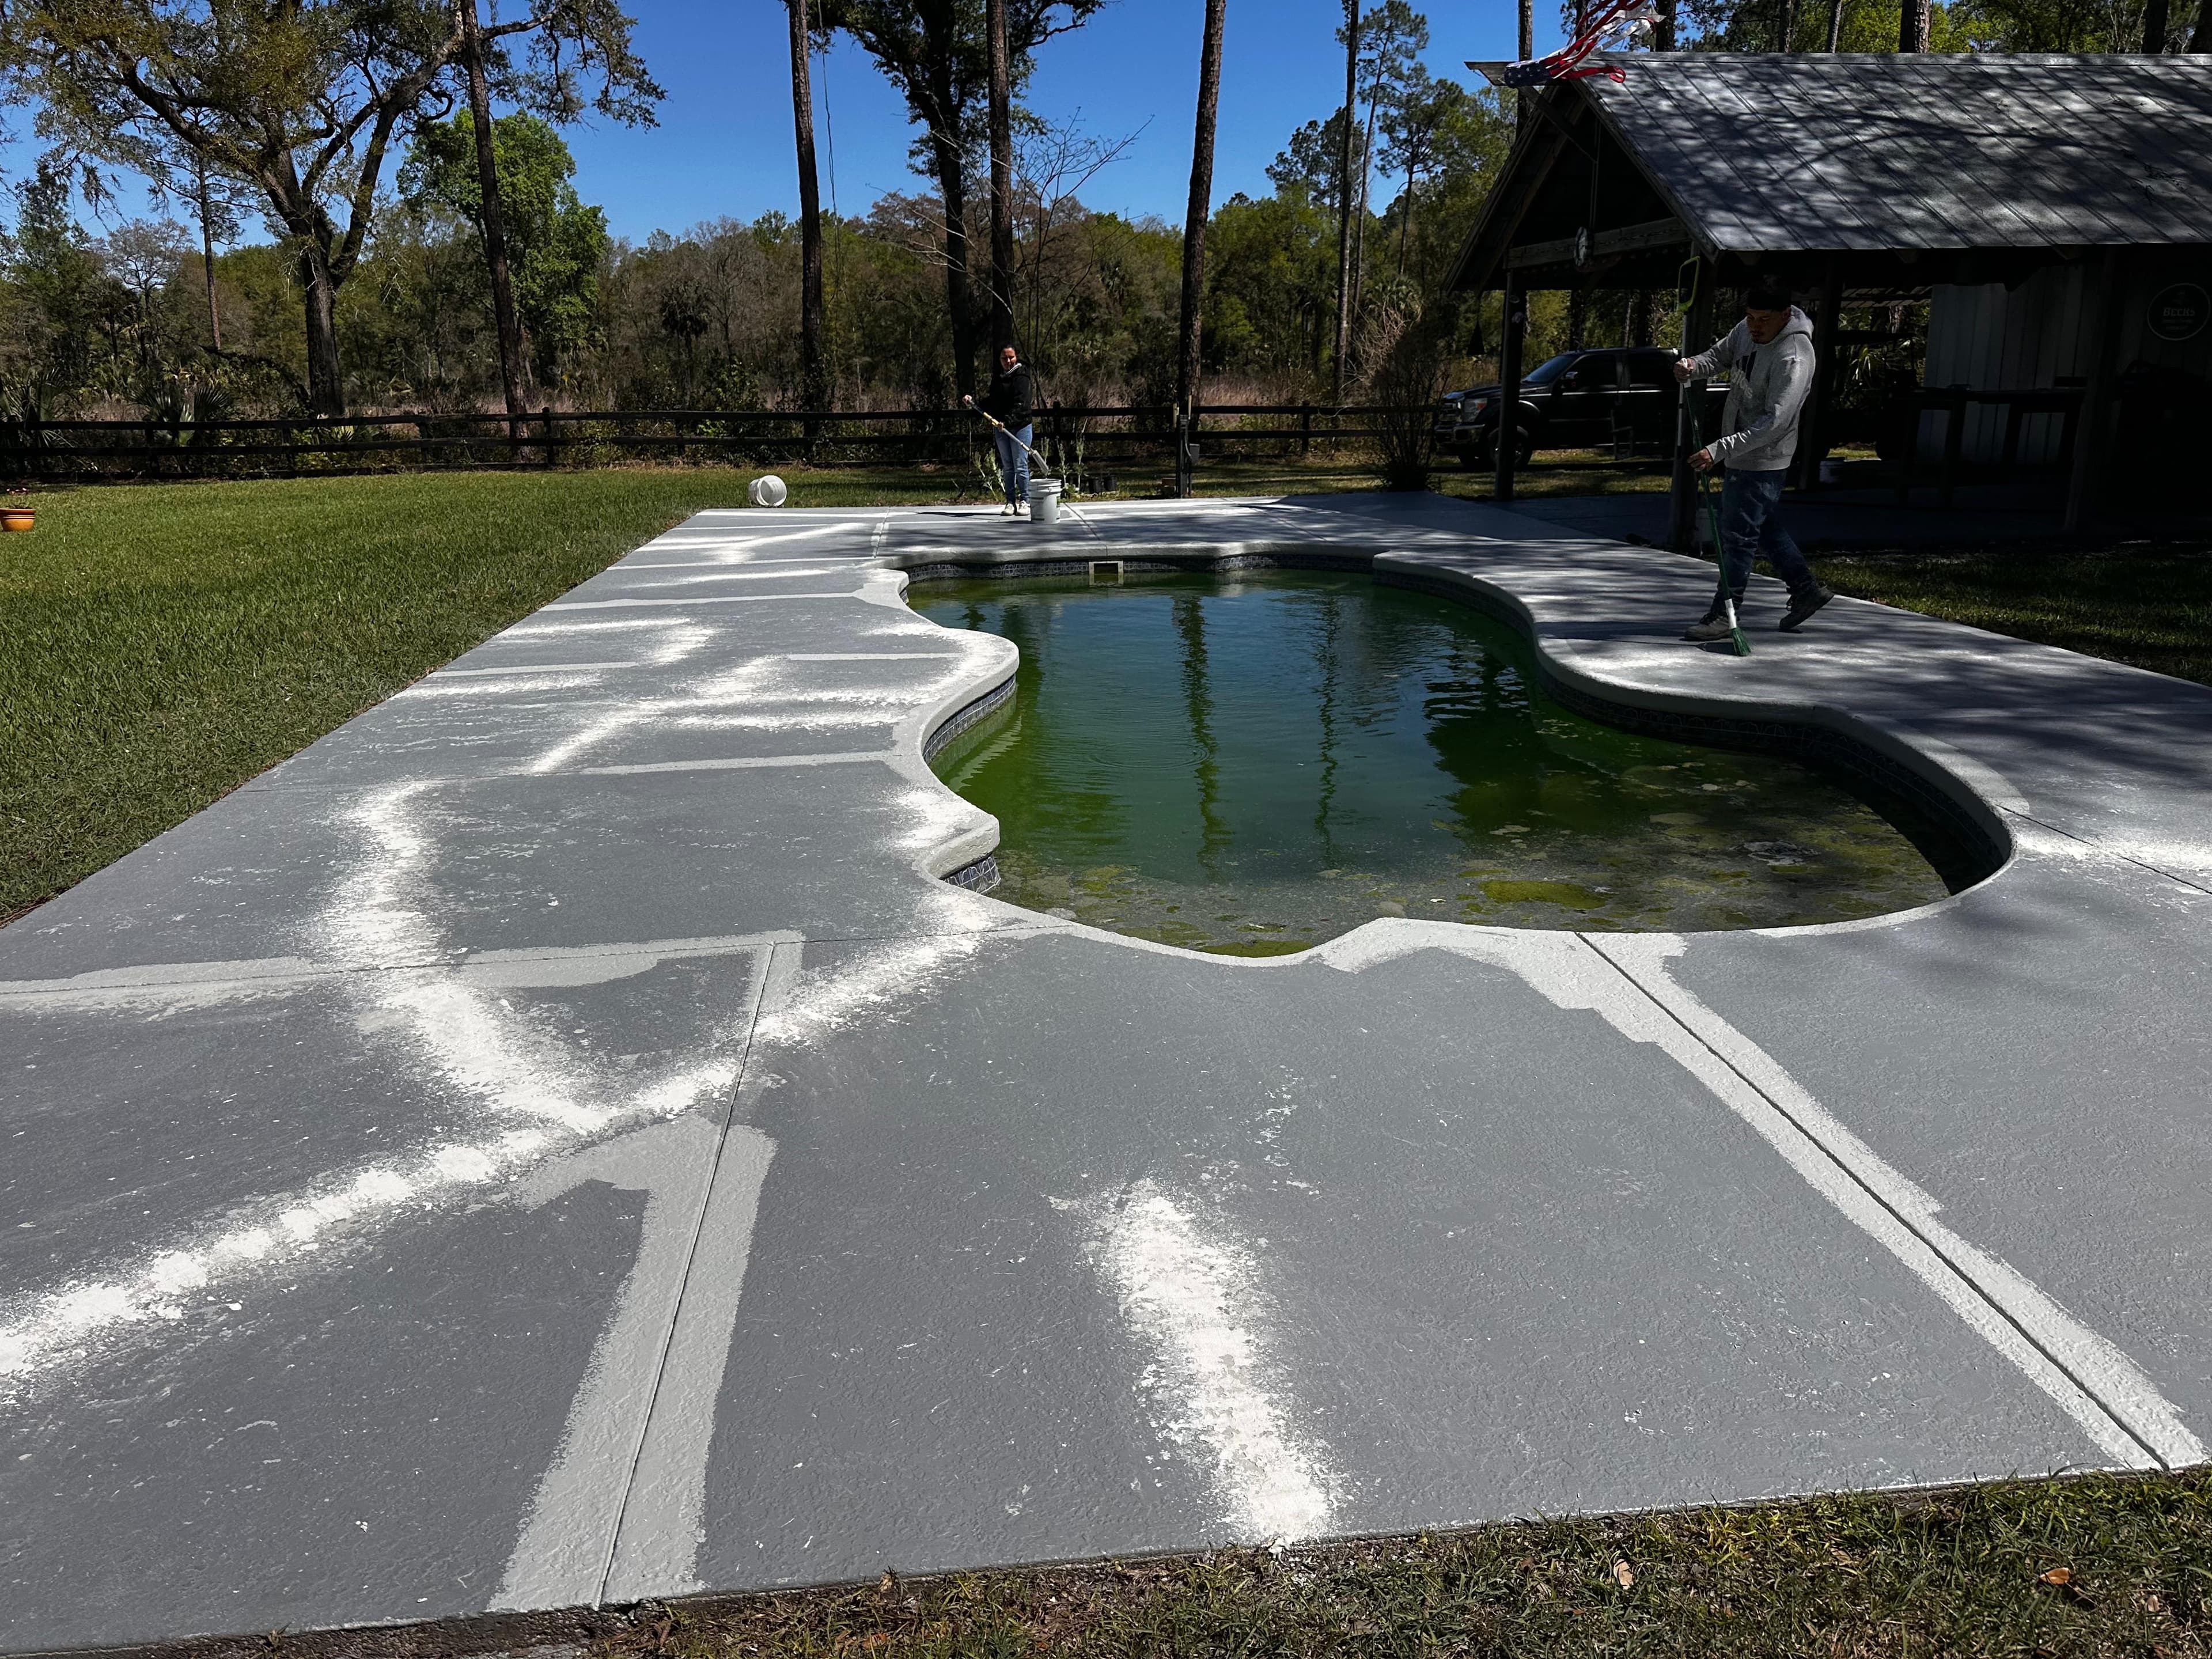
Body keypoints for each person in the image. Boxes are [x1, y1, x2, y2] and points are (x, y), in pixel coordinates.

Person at [1675, 279, 1835, 639]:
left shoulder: (1794, 356)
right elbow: (1719, 356)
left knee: (1738, 537)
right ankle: (1806, 589)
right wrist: (1693, 366)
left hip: (1765, 457)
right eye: (1750, 317)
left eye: (1764, 319)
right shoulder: (1746, 331)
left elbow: (1775, 423)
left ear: (1785, 315)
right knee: (1758, 524)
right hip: (1740, 449)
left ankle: (1724, 614)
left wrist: (1719, 449)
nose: (1755, 326)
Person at [984, 343, 1035, 517]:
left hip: (1020, 427)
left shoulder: (1022, 376)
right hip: (1001, 428)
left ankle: (1025, 501)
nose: (1008, 361)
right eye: (1004, 358)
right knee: (1008, 467)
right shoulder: (998, 378)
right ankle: (1010, 502)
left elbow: (1022, 404)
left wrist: (1007, 421)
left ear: (1016, 357)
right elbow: (993, 401)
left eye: (1011, 357)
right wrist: (974, 402)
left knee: (1021, 465)